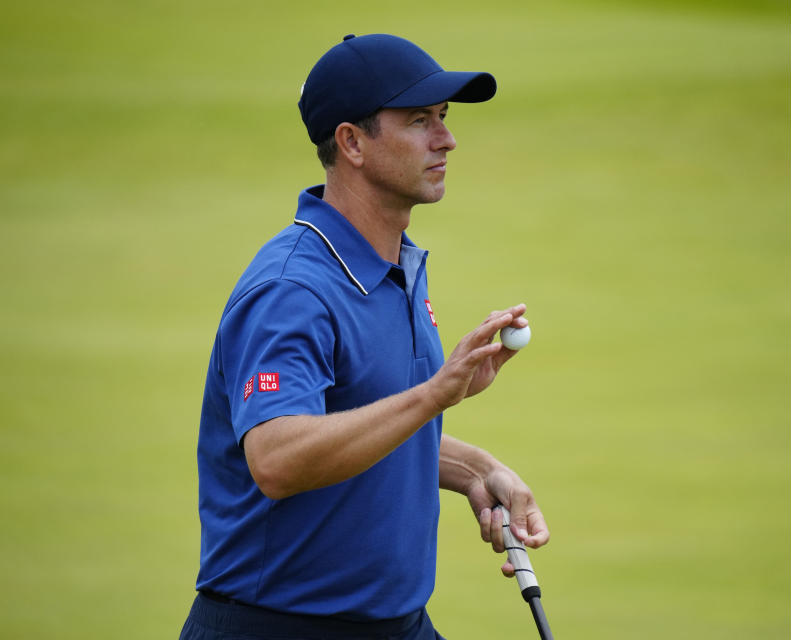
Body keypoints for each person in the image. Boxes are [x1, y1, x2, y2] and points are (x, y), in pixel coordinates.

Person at [179, 33, 549, 640]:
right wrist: (434, 395)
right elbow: (277, 459)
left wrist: (472, 469)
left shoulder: (395, 265)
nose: (447, 138)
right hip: (280, 626)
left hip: (396, 624)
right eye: (420, 121)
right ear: (351, 142)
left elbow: (358, 419)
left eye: (445, 118)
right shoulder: (291, 290)